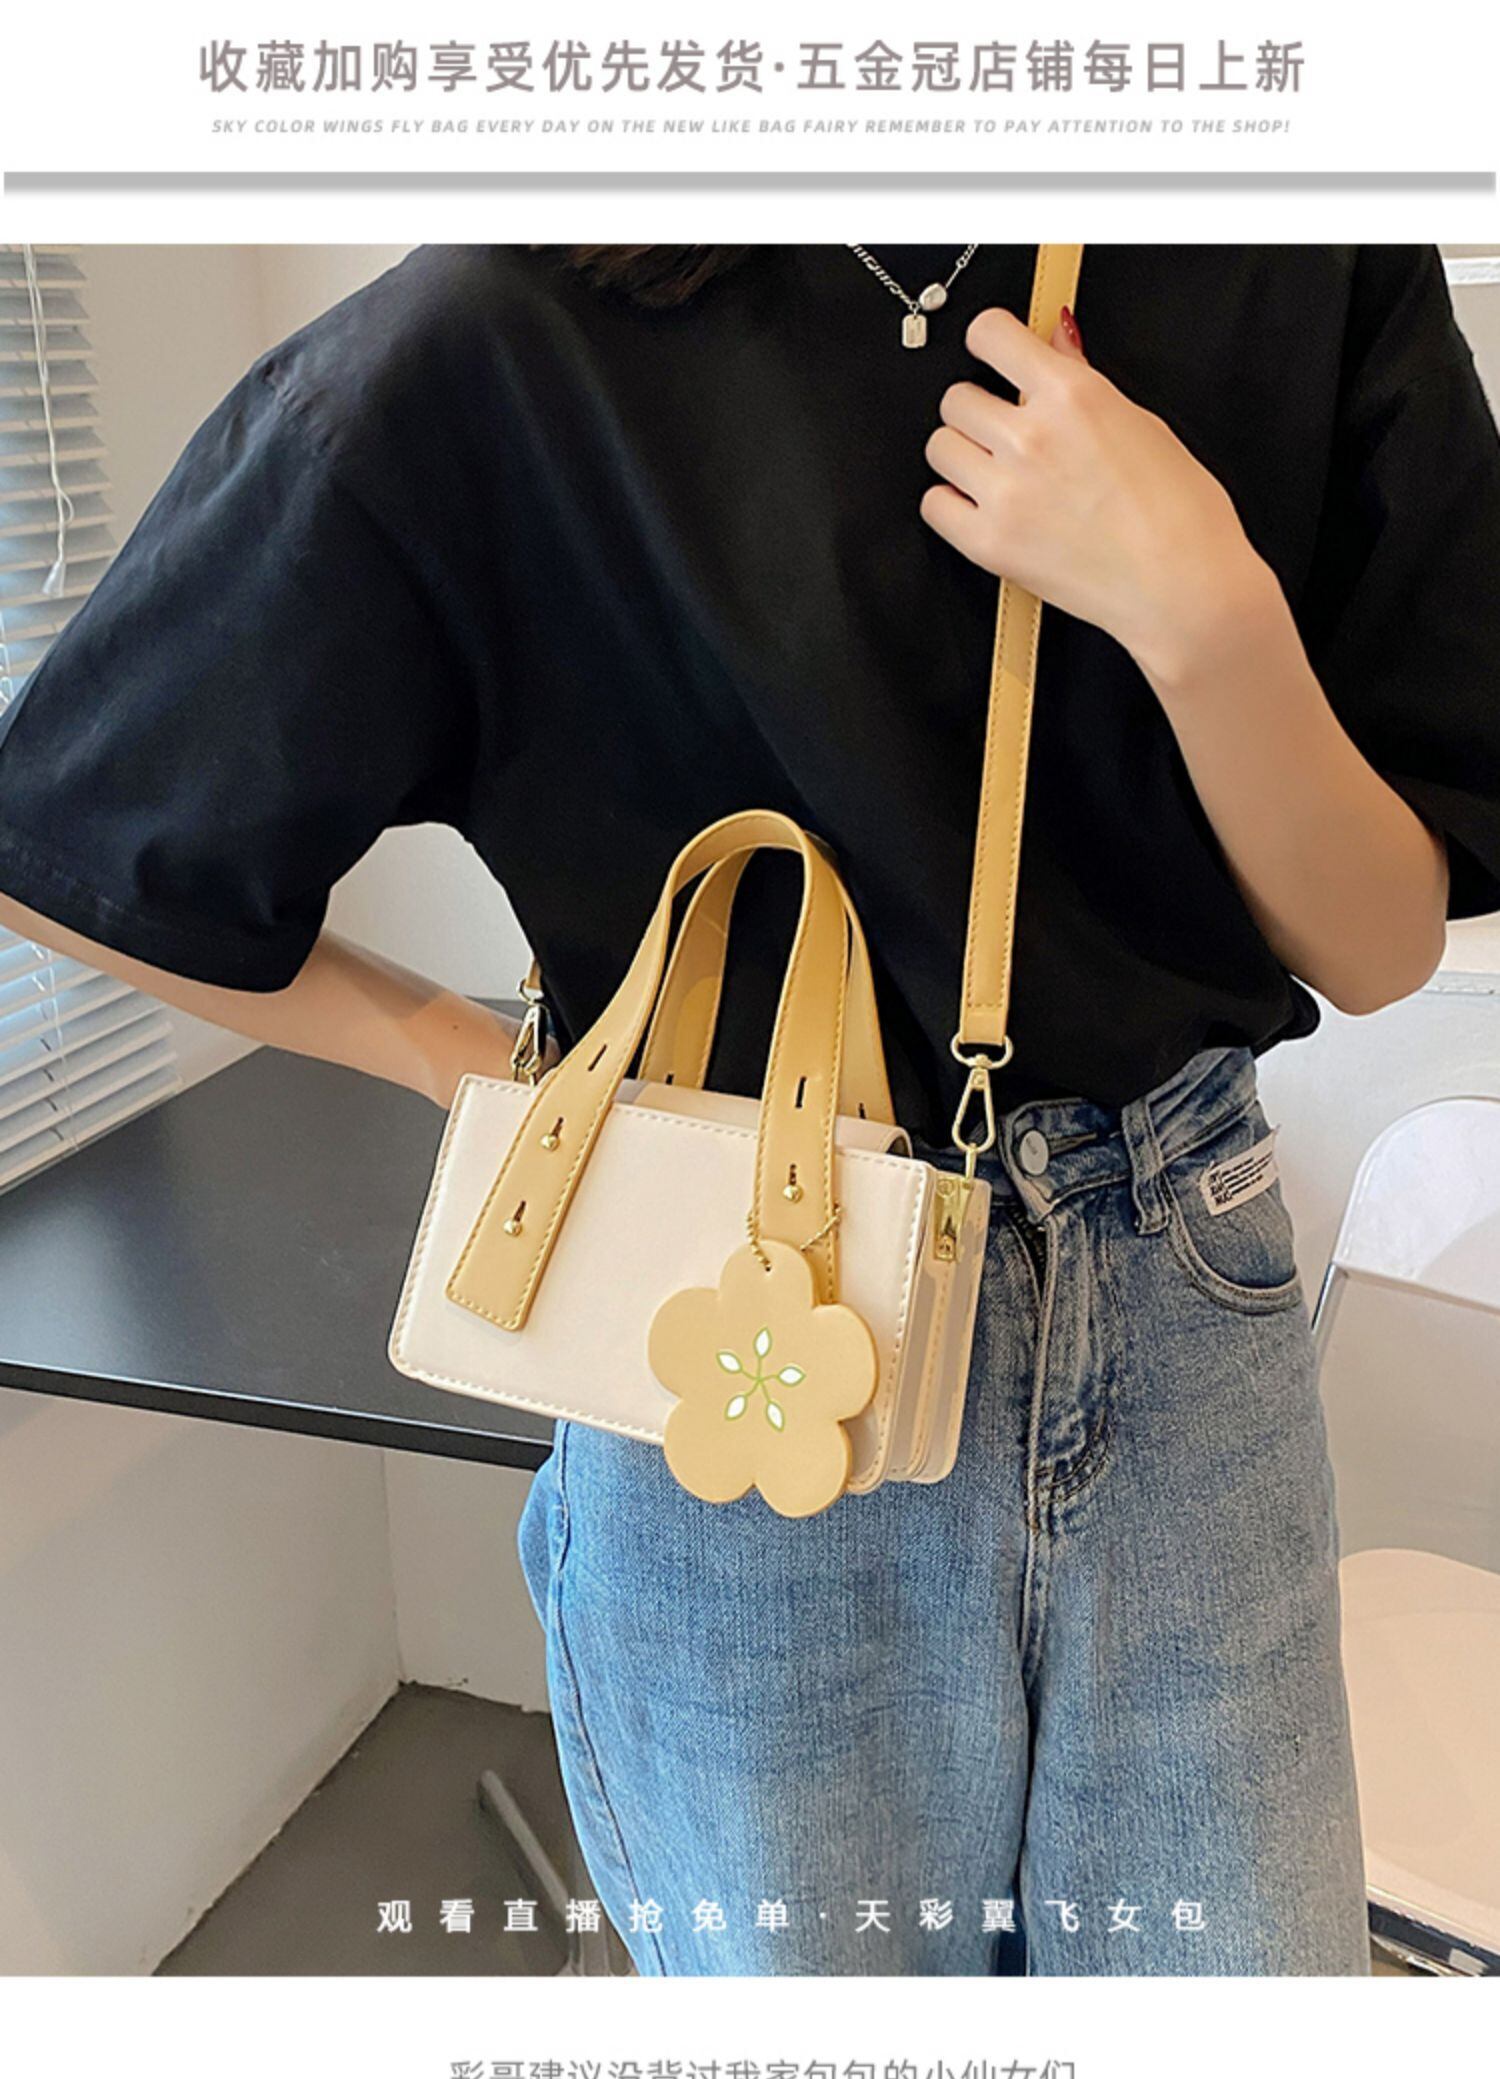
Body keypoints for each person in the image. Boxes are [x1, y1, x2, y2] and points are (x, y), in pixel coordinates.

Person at [2, 243, 1498, 1976]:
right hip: (743, 1329)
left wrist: (1206, 611)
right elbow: (74, 844)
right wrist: (467, 1061)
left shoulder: (1283, 258)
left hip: (1183, 1304)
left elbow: (1379, 944)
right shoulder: (508, 334)